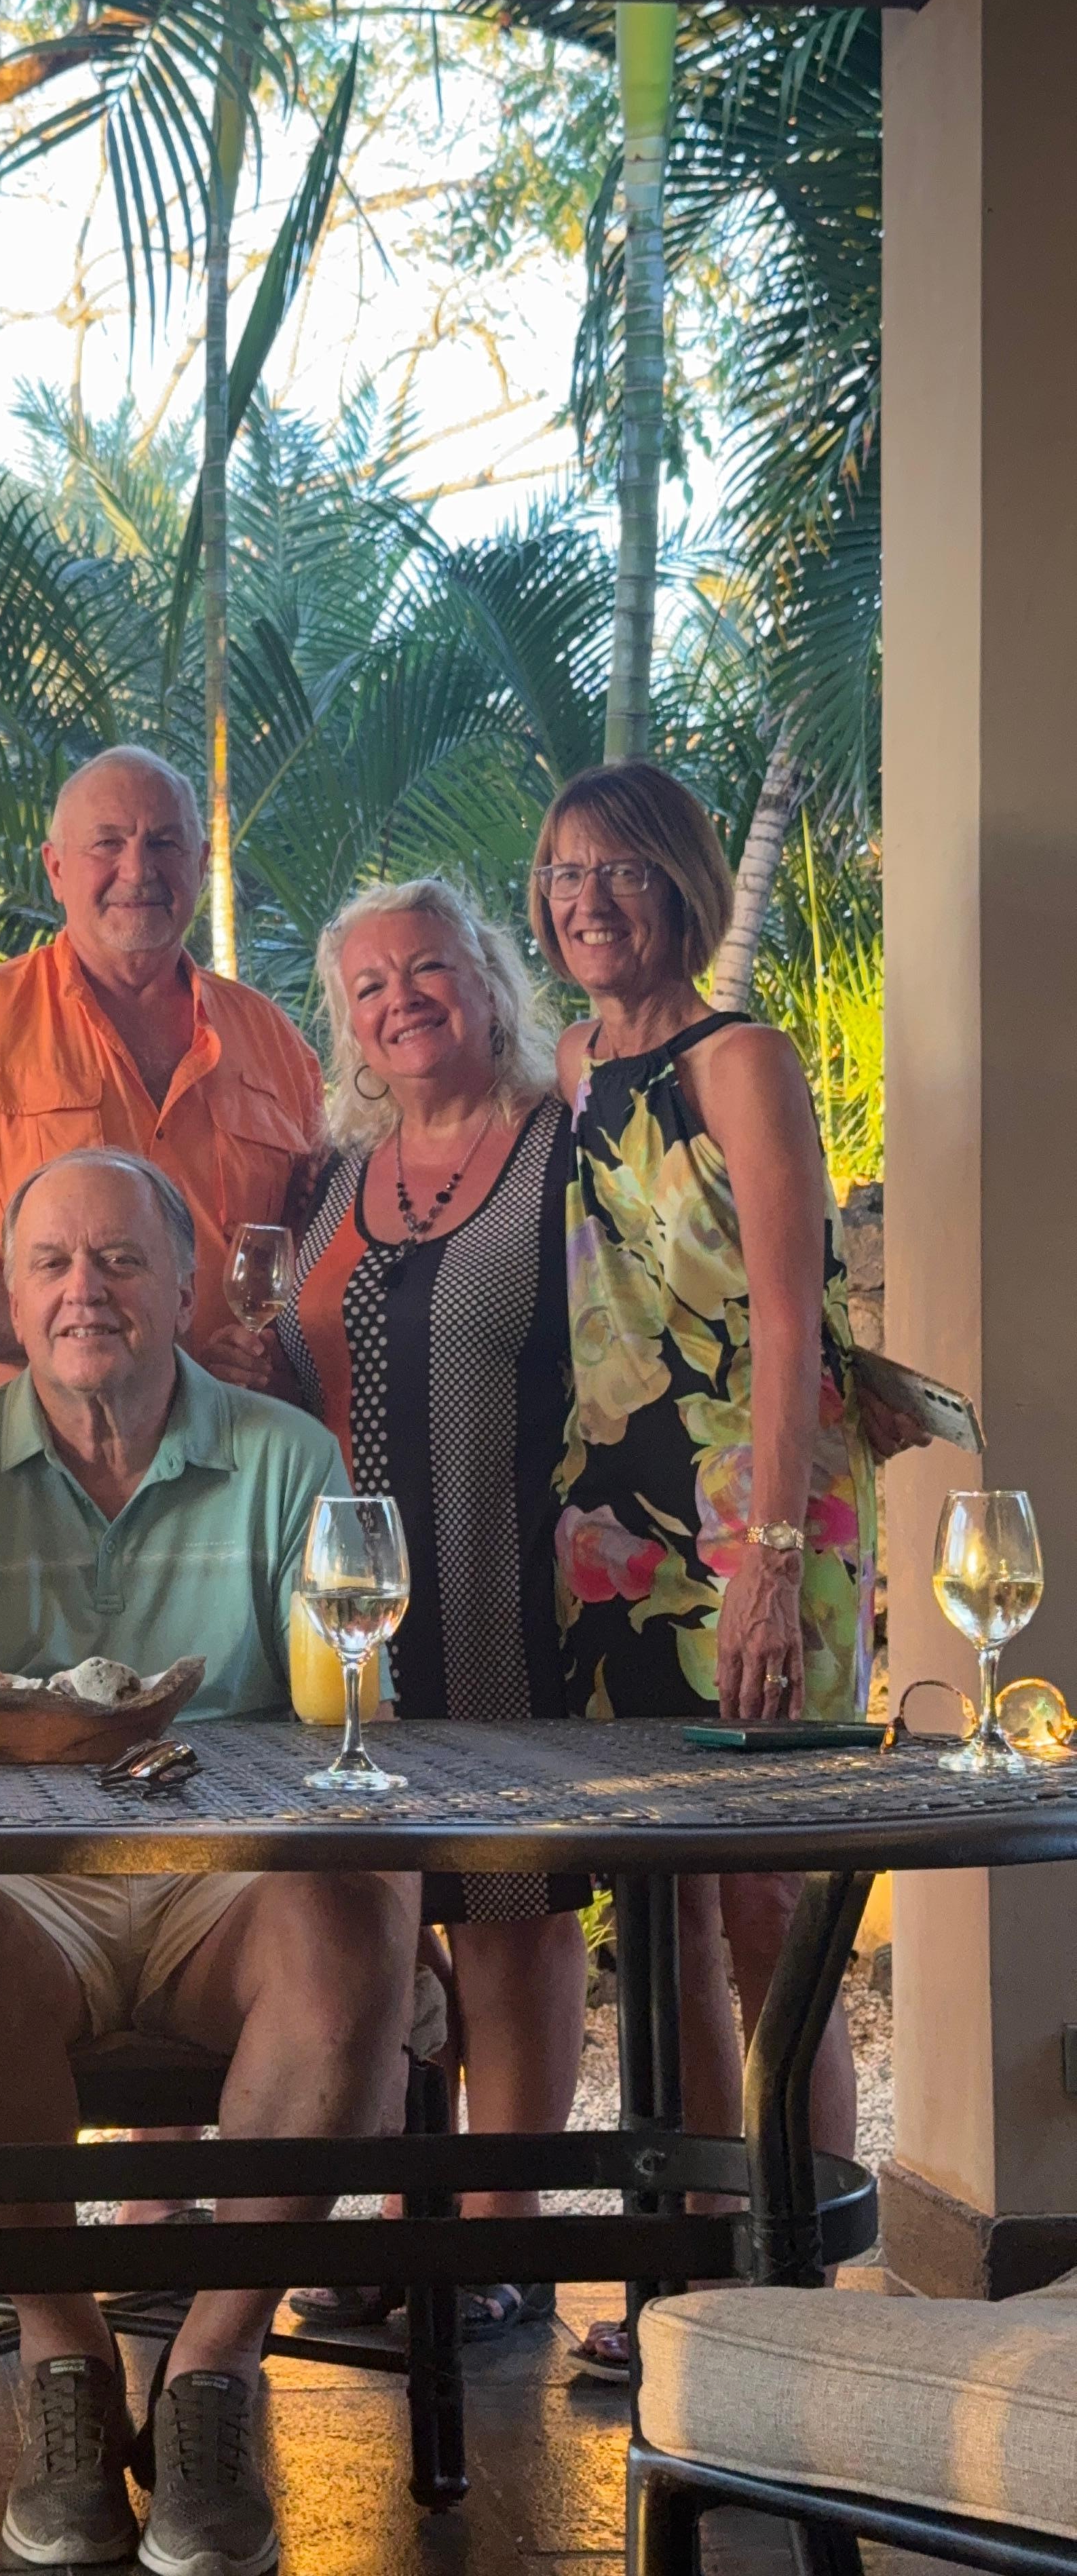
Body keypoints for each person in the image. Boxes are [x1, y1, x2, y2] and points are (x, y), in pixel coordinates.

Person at [0, 1149, 417, 2576]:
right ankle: (65, 2353)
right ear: (9, 1295)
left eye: (118, 1260)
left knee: (349, 1928)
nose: (83, 1291)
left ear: (181, 1284)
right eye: (51, 1263)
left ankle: (215, 2364)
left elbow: (348, 1712)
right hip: (15, 1881)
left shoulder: (285, 1457)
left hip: (227, 1876)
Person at [530, 762, 887, 2374]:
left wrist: (767, 1564)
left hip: (759, 1505)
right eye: (563, 873)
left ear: (678, 884)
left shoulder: (742, 1060)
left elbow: (797, 1323)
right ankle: (679, 2288)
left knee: (766, 1904)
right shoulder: (572, 1064)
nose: (587, 900)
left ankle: (786, 2298)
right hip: (611, 1518)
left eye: (619, 871)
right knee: (655, 1908)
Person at [273, 879, 586, 2347]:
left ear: (488, 981)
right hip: (350, 1611)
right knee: (387, 1914)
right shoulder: (331, 1178)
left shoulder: (557, 1145)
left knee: (514, 1912)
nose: (401, 1000)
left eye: (429, 970)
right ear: (345, 1021)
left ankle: (498, 2244)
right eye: (371, 984)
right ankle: (409, 2222)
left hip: (506, 1576)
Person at [0, 746, 323, 1404]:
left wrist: (278, 1360)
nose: (139, 869)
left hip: (231, 1447)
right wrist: (117, 1359)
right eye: (108, 843)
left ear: (201, 864)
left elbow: (316, 1262)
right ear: (56, 869)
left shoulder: (276, 1042)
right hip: (33, 1451)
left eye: (164, 843)